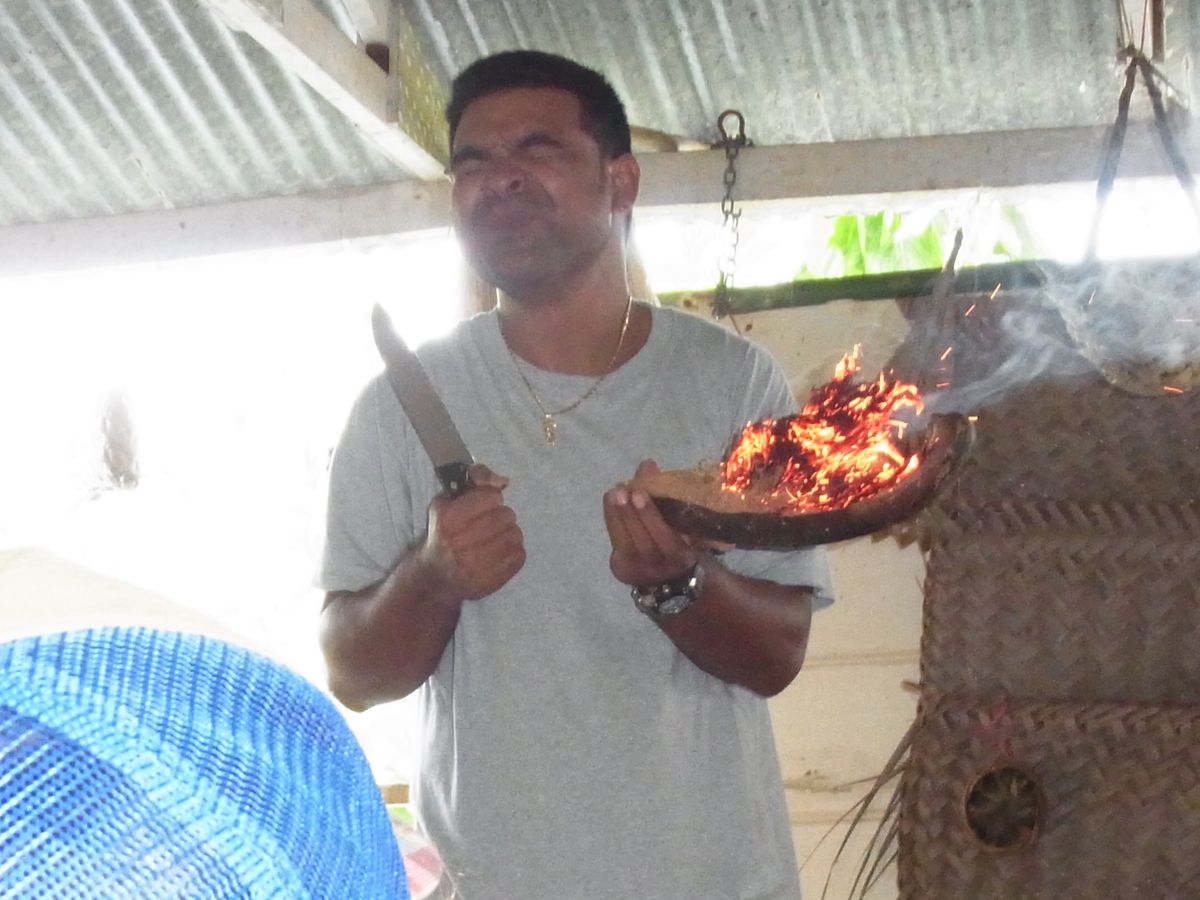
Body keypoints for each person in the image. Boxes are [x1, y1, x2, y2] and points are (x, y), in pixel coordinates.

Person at [318, 49, 834, 899]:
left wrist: (679, 583)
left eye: (537, 148)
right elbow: (354, 674)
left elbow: (779, 655)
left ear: (621, 181)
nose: (499, 179)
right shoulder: (399, 406)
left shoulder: (733, 383)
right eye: (472, 163)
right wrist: (433, 575)